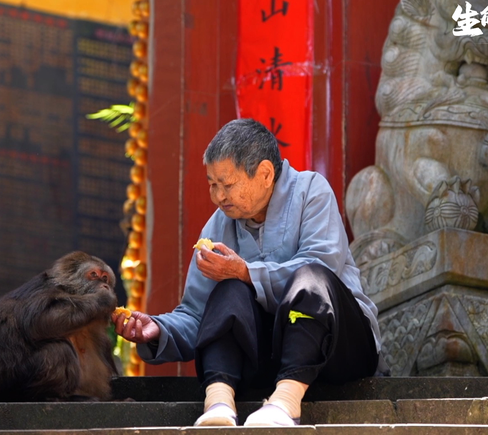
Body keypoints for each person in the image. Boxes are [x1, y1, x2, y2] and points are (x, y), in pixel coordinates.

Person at [113, 118, 387, 427]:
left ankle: (286, 402)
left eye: (227, 184)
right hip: (266, 361)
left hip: (340, 348)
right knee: (227, 291)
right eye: (212, 184)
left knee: (311, 277)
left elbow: (322, 267)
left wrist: (246, 272)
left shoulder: (311, 191)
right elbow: (197, 313)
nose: (218, 196)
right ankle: (218, 402)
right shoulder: (219, 225)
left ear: (266, 174)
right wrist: (159, 330)